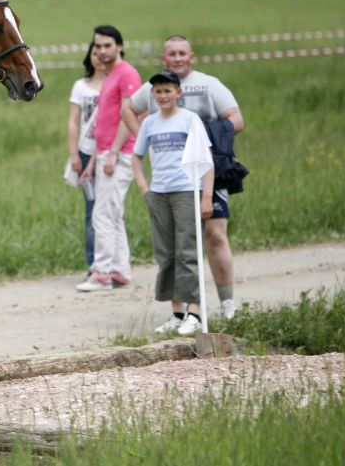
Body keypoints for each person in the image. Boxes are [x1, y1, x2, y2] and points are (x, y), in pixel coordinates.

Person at [121, 35, 245, 318]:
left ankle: (226, 302)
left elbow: (237, 119)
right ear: (164, 59)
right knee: (176, 246)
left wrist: (201, 137)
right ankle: (182, 311)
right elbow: (128, 108)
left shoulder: (209, 85)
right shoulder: (154, 88)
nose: (177, 58)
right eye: (171, 54)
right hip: (171, 178)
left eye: (182, 53)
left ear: (192, 57)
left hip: (209, 170)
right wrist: (145, 138)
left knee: (214, 235)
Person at [132, 70, 214, 336]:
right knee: (166, 254)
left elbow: (206, 161)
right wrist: (144, 187)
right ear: (152, 95)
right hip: (159, 193)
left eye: (168, 91)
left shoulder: (191, 120)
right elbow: (137, 156)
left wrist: (206, 196)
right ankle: (177, 313)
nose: (163, 96)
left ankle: (196, 313)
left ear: (178, 93)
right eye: (158, 91)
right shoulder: (149, 123)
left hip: (186, 191)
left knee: (187, 252)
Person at [76, 25, 141, 292]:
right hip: (104, 152)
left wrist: (113, 152)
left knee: (101, 215)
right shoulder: (110, 75)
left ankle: (101, 272)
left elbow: (129, 115)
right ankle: (120, 270)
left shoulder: (127, 74)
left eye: (107, 46)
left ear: (120, 46)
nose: (102, 51)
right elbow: (103, 121)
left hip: (119, 153)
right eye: (98, 46)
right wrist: (93, 161)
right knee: (113, 214)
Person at [66, 42, 105, 270]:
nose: (99, 57)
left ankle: (112, 261)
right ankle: (94, 263)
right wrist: (74, 155)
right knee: (91, 209)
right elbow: (73, 121)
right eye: (94, 52)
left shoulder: (114, 84)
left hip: (109, 153)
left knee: (110, 209)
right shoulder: (81, 86)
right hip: (85, 150)